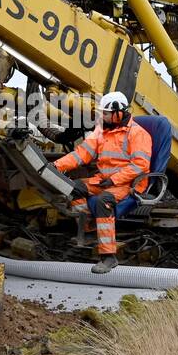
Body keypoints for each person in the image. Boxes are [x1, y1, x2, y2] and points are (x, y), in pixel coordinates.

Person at [54, 92, 153, 274]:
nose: (103, 117)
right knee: (71, 189)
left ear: (119, 113)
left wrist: (114, 179)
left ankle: (108, 257)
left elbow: (140, 166)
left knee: (102, 202)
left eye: (106, 113)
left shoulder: (138, 134)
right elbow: (81, 153)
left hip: (128, 184)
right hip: (105, 180)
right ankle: (91, 226)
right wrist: (56, 166)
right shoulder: (102, 130)